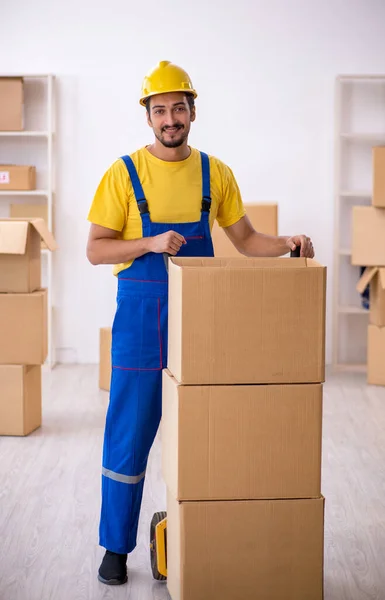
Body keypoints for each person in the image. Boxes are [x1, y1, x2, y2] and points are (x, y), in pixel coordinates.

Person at [86, 60, 315, 586]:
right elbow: (95, 249)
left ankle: (207, 534)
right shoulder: (124, 173)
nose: (171, 118)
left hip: (202, 319)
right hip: (142, 322)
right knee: (129, 433)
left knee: (207, 432)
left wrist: (287, 245)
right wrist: (147, 242)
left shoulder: (217, 173)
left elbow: (248, 241)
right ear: (148, 118)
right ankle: (115, 547)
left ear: (193, 112)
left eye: (179, 108)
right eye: (160, 110)